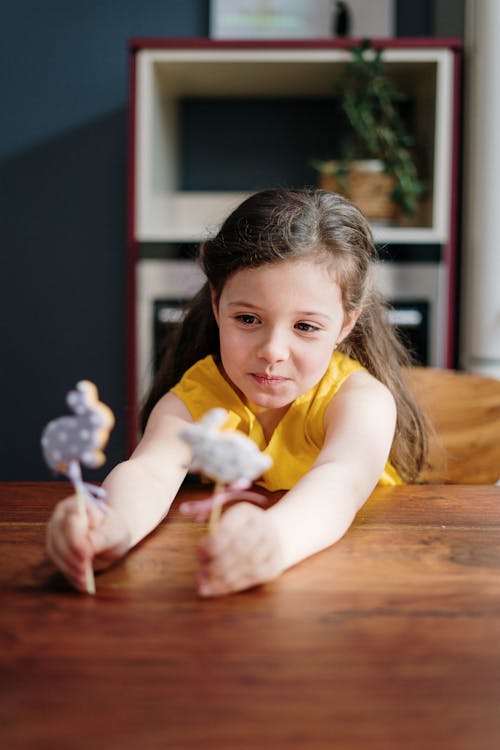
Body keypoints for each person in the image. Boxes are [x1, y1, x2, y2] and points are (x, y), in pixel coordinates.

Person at [46, 188, 428, 597]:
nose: (272, 352)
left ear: (346, 324)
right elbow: (150, 471)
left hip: (355, 588)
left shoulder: (361, 403)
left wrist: (274, 540)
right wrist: (110, 523)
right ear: (216, 303)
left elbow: (339, 484)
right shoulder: (199, 397)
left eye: (306, 327)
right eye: (248, 318)